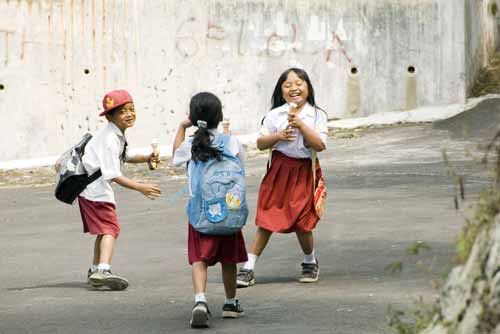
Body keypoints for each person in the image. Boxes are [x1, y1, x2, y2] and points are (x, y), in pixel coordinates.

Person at [236, 68, 328, 287]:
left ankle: (310, 260)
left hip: (304, 171)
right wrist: (278, 136)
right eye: (287, 85)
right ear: (281, 91)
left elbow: (320, 145)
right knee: (267, 218)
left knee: (303, 223)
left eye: (299, 83)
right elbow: (260, 144)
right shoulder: (275, 115)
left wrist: (301, 125)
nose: (294, 88)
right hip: (279, 170)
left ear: (308, 88)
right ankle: (248, 267)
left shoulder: (316, 115)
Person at [172, 92, 247, 328]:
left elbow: (175, 157)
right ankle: (231, 303)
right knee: (229, 260)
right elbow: (241, 164)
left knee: (200, 259)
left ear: (193, 118)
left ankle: (200, 300)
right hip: (229, 211)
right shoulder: (231, 141)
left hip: (201, 213)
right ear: (220, 115)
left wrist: (182, 127)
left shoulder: (190, 144)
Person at [81, 89, 161, 290]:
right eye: (122, 111)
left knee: (103, 230)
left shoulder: (115, 135)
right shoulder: (110, 138)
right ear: (109, 116)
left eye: (131, 109)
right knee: (110, 228)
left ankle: (95, 269)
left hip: (91, 190)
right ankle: (103, 270)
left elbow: (125, 156)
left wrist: (147, 157)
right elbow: (112, 174)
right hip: (95, 191)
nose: (129, 114)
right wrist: (141, 187)